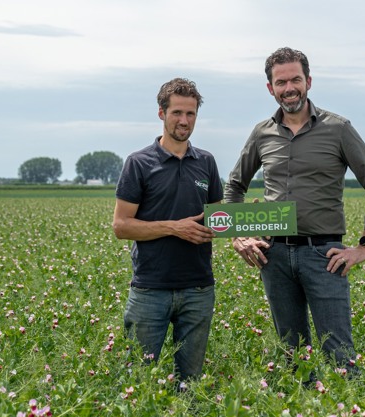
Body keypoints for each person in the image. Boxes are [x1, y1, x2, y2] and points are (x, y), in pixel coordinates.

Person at [224, 47, 365, 379]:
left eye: (295, 80)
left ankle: (348, 401)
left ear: (308, 82)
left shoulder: (338, 128)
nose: (289, 88)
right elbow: (234, 185)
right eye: (281, 82)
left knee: (340, 355)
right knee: (292, 357)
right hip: (274, 255)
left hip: (323, 254)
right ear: (270, 88)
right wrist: (239, 235)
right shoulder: (262, 133)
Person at [113, 78, 223, 385]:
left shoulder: (206, 162)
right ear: (161, 113)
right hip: (150, 289)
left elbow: (219, 217)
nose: (184, 120)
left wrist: (250, 224)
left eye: (190, 113)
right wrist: (175, 228)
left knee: (192, 383)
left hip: (198, 289)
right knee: (138, 382)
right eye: (177, 112)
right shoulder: (139, 163)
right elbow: (121, 226)